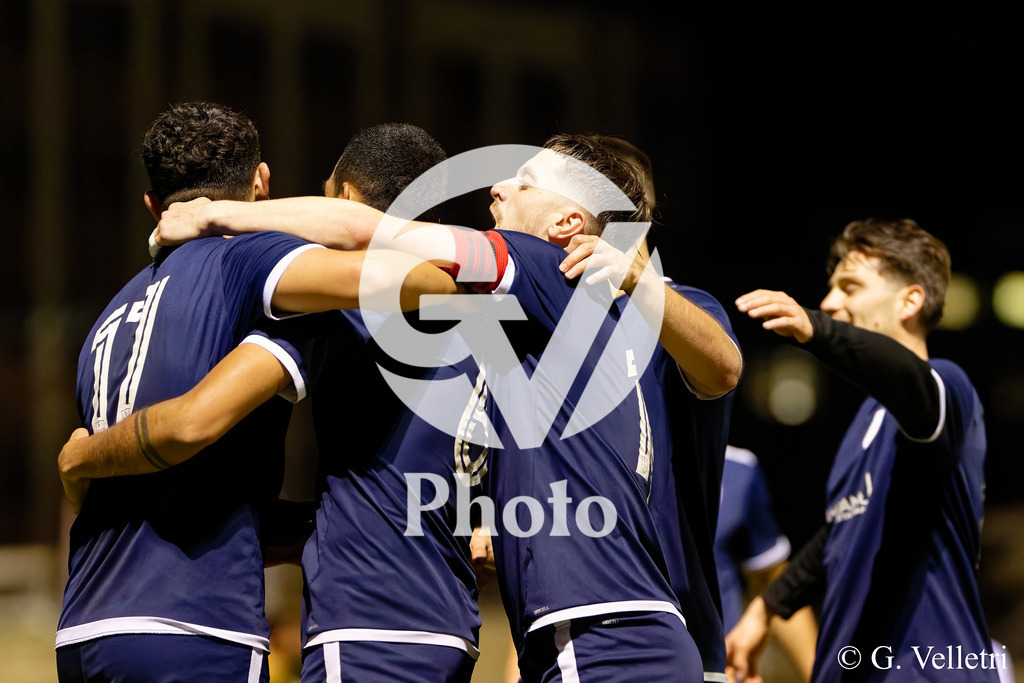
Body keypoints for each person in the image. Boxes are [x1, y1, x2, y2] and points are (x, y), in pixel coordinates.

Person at [152, 132, 743, 680]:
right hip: (612, 628)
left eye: (525, 181)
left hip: (602, 632)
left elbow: (368, 229)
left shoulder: (543, 269)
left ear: (567, 222)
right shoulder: (558, 322)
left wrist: (214, 214)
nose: (498, 187)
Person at [55, 106, 456, 682]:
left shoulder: (108, 318)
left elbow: (174, 491)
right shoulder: (249, 260)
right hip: (194, 625)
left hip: (83, 626)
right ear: (262, 183)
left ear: (152, 204)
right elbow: (416, 277)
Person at [728, 218, 1001, 681]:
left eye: (850, 287)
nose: (830, 302)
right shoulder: (864, 422)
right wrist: (767, 607)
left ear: (910, 301)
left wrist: (816, 330)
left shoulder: (946, 387)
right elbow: (842, 531)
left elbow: (908, 379)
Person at [715, 445, 816, 681]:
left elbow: (770, 580)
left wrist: (820, 674)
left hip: (724, 669)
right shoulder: (626, 464)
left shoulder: (738, 468)